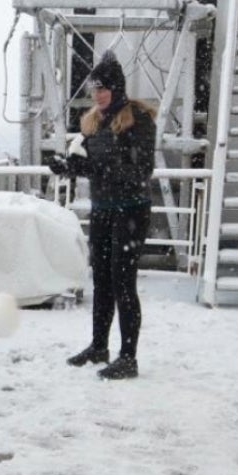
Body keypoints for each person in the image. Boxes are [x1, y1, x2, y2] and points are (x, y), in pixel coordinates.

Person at [48, 50, 157, 380]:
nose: (97, 95)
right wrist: (70, 167)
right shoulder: (95, 121)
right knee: (102, 282)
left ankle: (128, 357)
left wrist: (93, 167)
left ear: (116, 87)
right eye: (94, 89)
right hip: (104, 211)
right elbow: (97, 168)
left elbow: (140, 170)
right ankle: (99, 346)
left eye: (103, 88)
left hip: (131, 211)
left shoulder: (138, 119)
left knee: (123, 283)